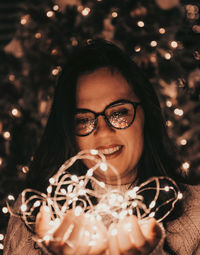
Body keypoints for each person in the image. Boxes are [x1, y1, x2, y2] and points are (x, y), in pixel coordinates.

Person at [3, 39, 200, 255]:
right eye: (84, 119)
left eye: (119, 113)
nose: (103, 131)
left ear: (147, 115)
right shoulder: (34, 217)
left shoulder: (196, 213)